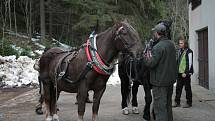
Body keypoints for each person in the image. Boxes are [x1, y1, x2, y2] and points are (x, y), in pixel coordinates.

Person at [142, 22, 177, 121]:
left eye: (154, 33)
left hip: (159, 84)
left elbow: (150, 64)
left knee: (160, 110)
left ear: (157, 33)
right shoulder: (171, 44)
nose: (154, 34)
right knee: (167, 107)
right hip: (169, 82)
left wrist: (145, 57)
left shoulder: (158, 47)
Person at [173, 37, 193, 108]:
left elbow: (190, 63)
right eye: (179, 43)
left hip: (185, 74)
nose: (180, 44)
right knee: (178, 88)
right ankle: (177, 102)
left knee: (187, 88)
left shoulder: (189, 51)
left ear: (185, 44)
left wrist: (186, 72)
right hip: (179, 73)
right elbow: (178, 61)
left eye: (181, 43)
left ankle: (189, 103)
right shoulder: (179, 51)